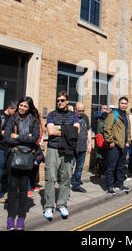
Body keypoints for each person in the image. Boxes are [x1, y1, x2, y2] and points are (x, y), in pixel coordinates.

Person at [4, 97, 40, 231]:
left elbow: (35, 138)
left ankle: (21, 217)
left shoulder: (34, 120)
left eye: (25, 106)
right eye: (20, 105)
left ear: (29, 107)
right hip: (13, 155)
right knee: (12, 187)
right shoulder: (12, 119)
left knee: (24, 187)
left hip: (27, 157)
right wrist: (26, 139)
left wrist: (18, 136)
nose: (22, 108)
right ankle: (10, 217)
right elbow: (7, 138)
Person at [44, 91, 80, 220]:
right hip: (53, 149)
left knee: (66, 178)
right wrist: (67, 130)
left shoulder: (74, 115)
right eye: (58, 100)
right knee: (50, 178)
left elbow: (76, 131)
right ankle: (48, 207)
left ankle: (62, 204)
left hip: (68, 150)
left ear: (67, 101)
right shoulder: (51, 115)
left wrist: (59, 128)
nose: (59, 102)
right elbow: (50, 131)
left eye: (62, 100)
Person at [103, 97, 131, 195]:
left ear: (127, 105)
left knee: (121, 166)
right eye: (122, 103)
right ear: (119, 104)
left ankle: (120, 184)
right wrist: (110, 141)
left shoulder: (126, 115)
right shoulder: (113, 114)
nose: (124, 105)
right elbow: (107, 128)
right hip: (114, 145)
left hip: (124, 145)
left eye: (125, 103)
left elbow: (128, 129)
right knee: (111, 167)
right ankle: (109, 186)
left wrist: (128, 141)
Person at [0, 100, 17, 203]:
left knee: (10, 172)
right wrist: (7, 133)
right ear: (9, 109)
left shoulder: (13, 119)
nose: (15, 113)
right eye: (14, 111)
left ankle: (6, 190)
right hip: (0, 148)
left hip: (10, 148)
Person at [71, 102, 91, 193]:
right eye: (79, 111)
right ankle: (67, 183)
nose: (81, 112)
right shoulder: (71, 117)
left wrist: (89, 144)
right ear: (75, 110)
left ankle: (76, 184)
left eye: (82, 111)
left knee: (79, 168)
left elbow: (88, 130)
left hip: (83, 147)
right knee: (69, 167)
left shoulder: (85, 118)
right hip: (72, 148)